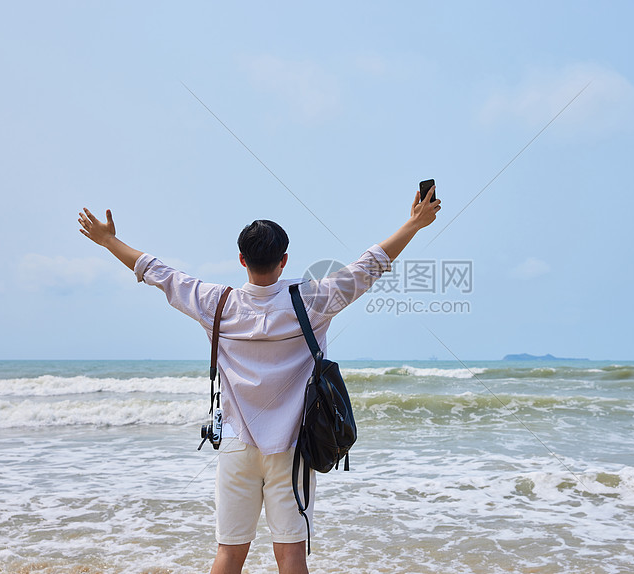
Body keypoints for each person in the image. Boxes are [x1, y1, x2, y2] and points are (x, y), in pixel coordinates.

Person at [77, 188, 441, 574]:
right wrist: (415, 223)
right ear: (284, 260)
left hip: (236, 445)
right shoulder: (313, 298)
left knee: (229, 554)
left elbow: (157, 272)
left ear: (241, 259)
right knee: (290, 556)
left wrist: (108, 240)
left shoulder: (216, 303)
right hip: (292, 449)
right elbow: (370, 265)